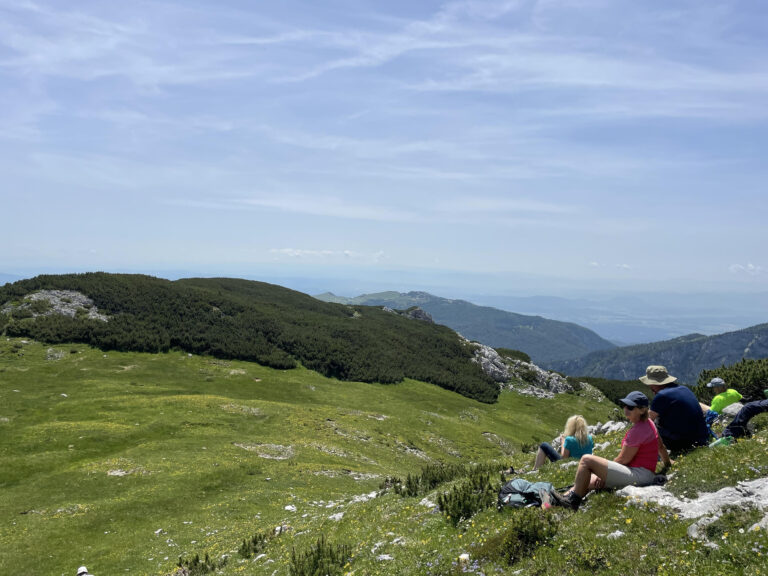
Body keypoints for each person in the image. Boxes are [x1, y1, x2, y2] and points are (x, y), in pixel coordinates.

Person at [554, 391, 660, 510]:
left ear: (642, 410)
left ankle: (571, 502)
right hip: (643, 472)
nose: (625, 409)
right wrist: (667, 462)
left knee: (586, 460)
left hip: (639, 474)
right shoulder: (648, 422)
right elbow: (659, 443)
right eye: (625, 406)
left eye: (630, 407)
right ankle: (560, 501)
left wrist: (603, 474)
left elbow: (623, 459)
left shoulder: (638, 430)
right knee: (591, 479)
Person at [640, 365, 709, 453]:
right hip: (702, 439)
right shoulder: (684, 389)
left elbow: (646, 420)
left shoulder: (662, 396)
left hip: (685, 444)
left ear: (656, 383)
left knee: (652, 425)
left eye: (650, 384)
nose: (650, 387)